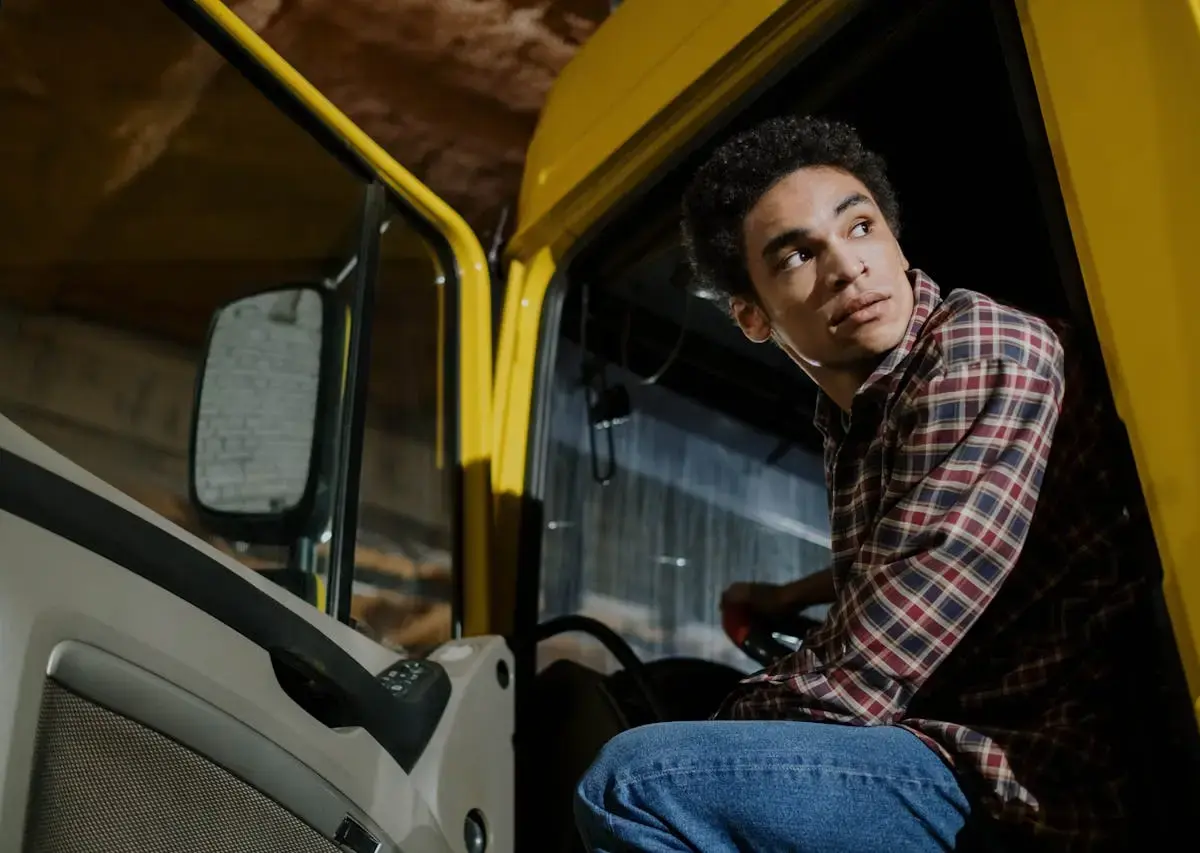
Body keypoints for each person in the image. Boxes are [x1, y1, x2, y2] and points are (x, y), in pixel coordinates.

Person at [573, 115, 1161, 851]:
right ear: (752, 317)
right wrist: (791, 597)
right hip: (949, 761)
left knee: (637, 784)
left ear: (895, 240)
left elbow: (868, 666)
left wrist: (712, 738)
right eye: (797, 256)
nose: (849, 267)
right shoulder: (857, 414)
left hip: (1031, 778)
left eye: (859, 228)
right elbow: (916, 543)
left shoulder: (979, 351)